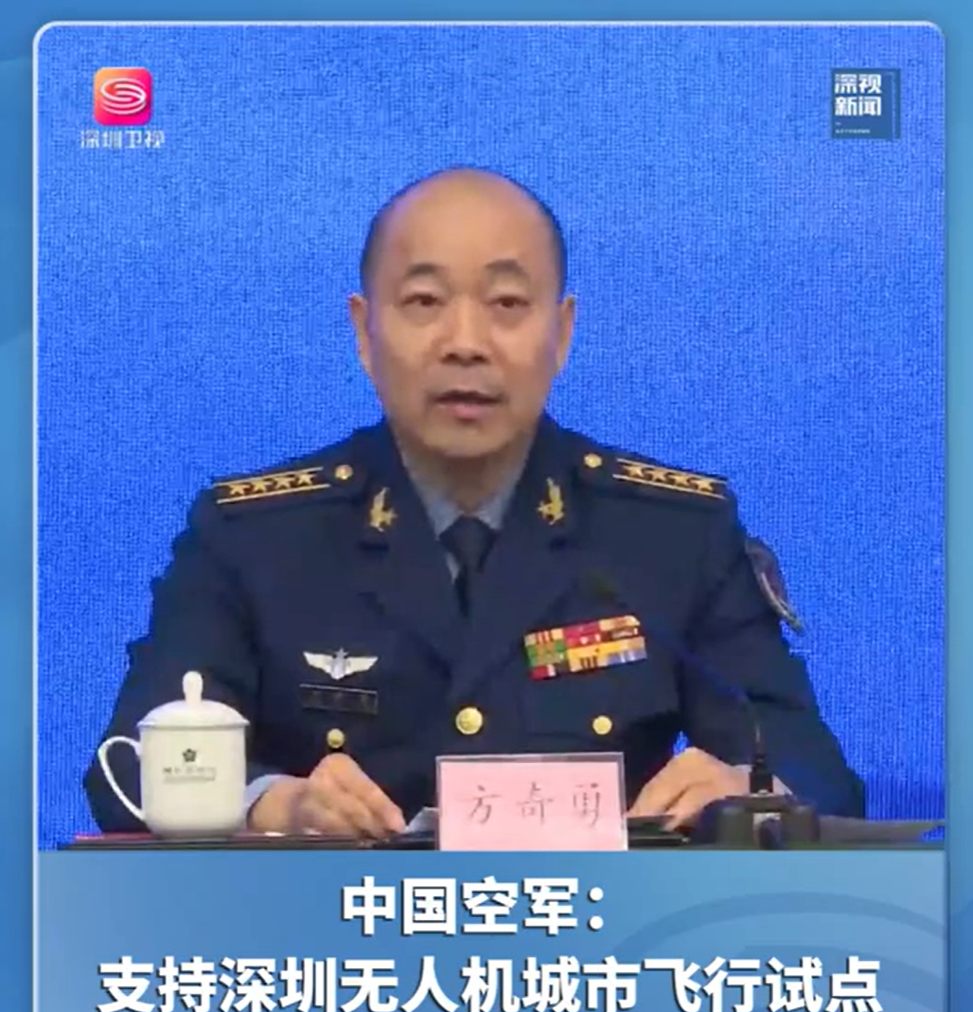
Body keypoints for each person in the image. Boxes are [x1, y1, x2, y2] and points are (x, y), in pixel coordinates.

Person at [84, 166, 864, 838]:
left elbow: (819, 775)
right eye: (424, 302)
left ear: (562, 333)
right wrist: (272, 803)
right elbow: (126, 770)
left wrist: (748, 787)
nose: (465, 342)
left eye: (507, 304)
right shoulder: (254, 536)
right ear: (364, 333)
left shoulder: (671, 533)